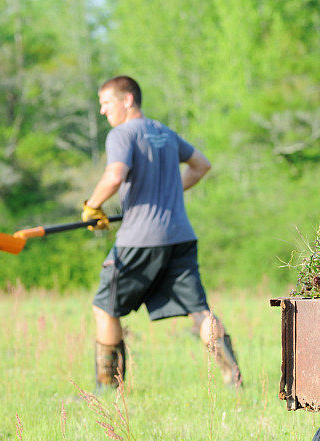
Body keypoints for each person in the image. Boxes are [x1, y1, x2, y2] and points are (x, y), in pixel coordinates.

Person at [82, 75, 242, 390]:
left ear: (127, 100)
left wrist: (91, 206)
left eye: (106, 103)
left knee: (104, 306)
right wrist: (168, 193)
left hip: (138, 240)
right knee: (199, 311)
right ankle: (232, 379)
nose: (103, 111)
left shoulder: (122, 134)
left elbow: (115, 176)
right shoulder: (164, 133)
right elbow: (201, 165)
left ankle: (107, 389)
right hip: (179, 236)